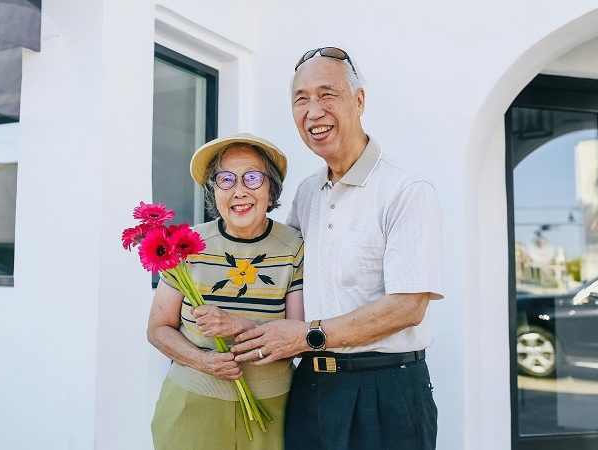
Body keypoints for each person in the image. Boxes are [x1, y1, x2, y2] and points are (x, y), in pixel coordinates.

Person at [231, 47, 444, 450]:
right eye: (301, 99)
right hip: (312, 387)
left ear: (359, 100)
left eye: (327, 94)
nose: (313, 111)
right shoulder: (308, 192)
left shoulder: (406, 189)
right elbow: (279, 275)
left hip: (385, 391)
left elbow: (408, 306)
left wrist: (306, 337)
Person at [147, 133, 305, 449]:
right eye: (226, 179)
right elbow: (157, 329)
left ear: (271, 187)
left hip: (273, 411)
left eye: (252, 178)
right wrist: (203, 361)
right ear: (213, 190)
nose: (239, 191)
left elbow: (299, 340)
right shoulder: (186, 244)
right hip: (191, 407)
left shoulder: (294, 246)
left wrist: (238, 326)